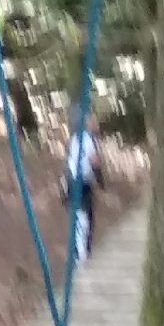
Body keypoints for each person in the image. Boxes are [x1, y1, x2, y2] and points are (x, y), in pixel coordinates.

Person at [62, 105, 104, 262]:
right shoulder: (87, 139)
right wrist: (100, 180)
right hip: (80, 182)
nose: (95, 123)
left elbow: (70, 160)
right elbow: (94, 161)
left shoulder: (76, 138)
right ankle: (81, 253)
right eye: (92, 120)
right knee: (84, 217)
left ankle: (80, 251)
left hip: (77, 181)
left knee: (82, 216)